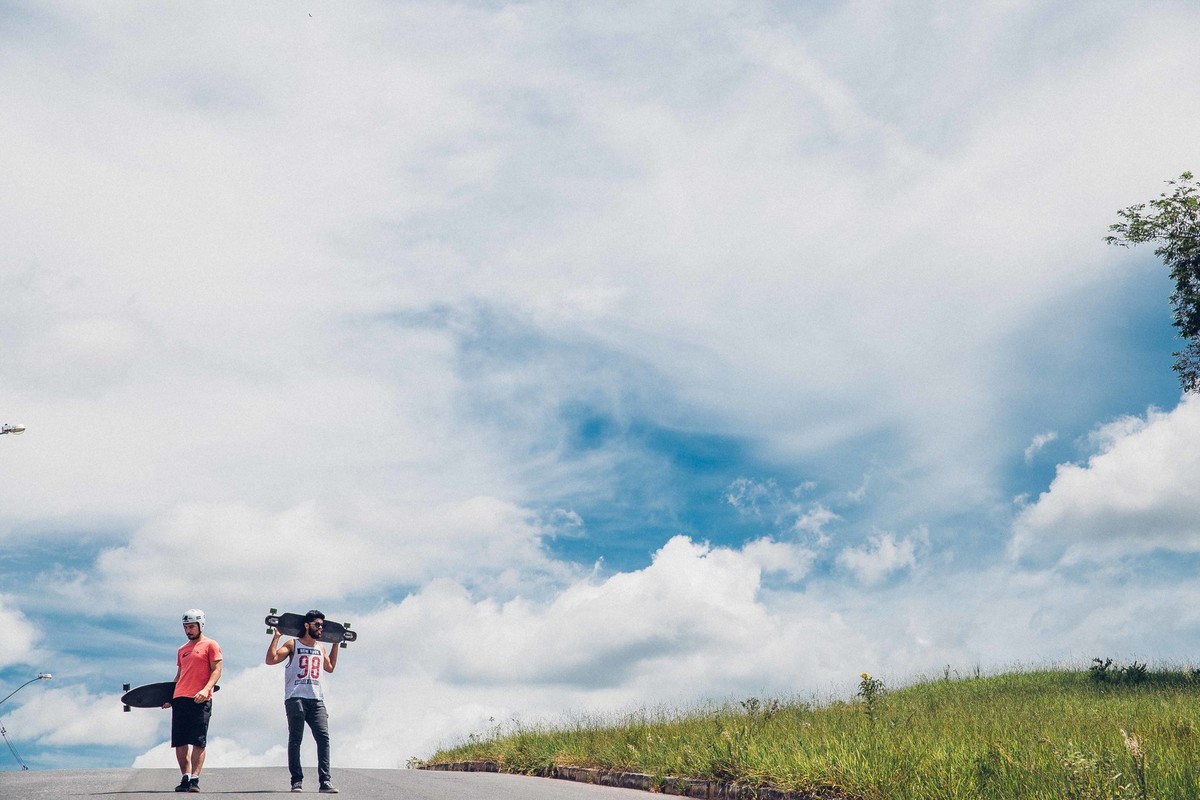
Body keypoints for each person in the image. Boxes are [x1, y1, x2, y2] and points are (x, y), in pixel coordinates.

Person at [265, 609, 340, 794]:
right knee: (296, 739)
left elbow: (329, 667)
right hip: (295, 697)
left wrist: (335, 644)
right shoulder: (293, 644)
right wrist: (276, 637)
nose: (320, 628)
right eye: (317, 625)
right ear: (307, 625)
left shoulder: (320, 647)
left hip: (316, 699)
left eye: (322, 625)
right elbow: (271, 660)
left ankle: (325, 781)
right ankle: (296, 781)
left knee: (323, 739)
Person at [168, 609, 222, 793]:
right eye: (185, 627)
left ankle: (195, 779)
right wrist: (169, 697)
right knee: (180, 741)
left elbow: (216, 670)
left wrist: (206, 689)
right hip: (180, 698)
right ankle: (185, 777)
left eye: (191, 626)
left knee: (198, 741)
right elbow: (179, 675)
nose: (188, 630)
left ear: (200, 625)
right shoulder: (182, 650)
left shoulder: (211, 645)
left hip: (201, 698)